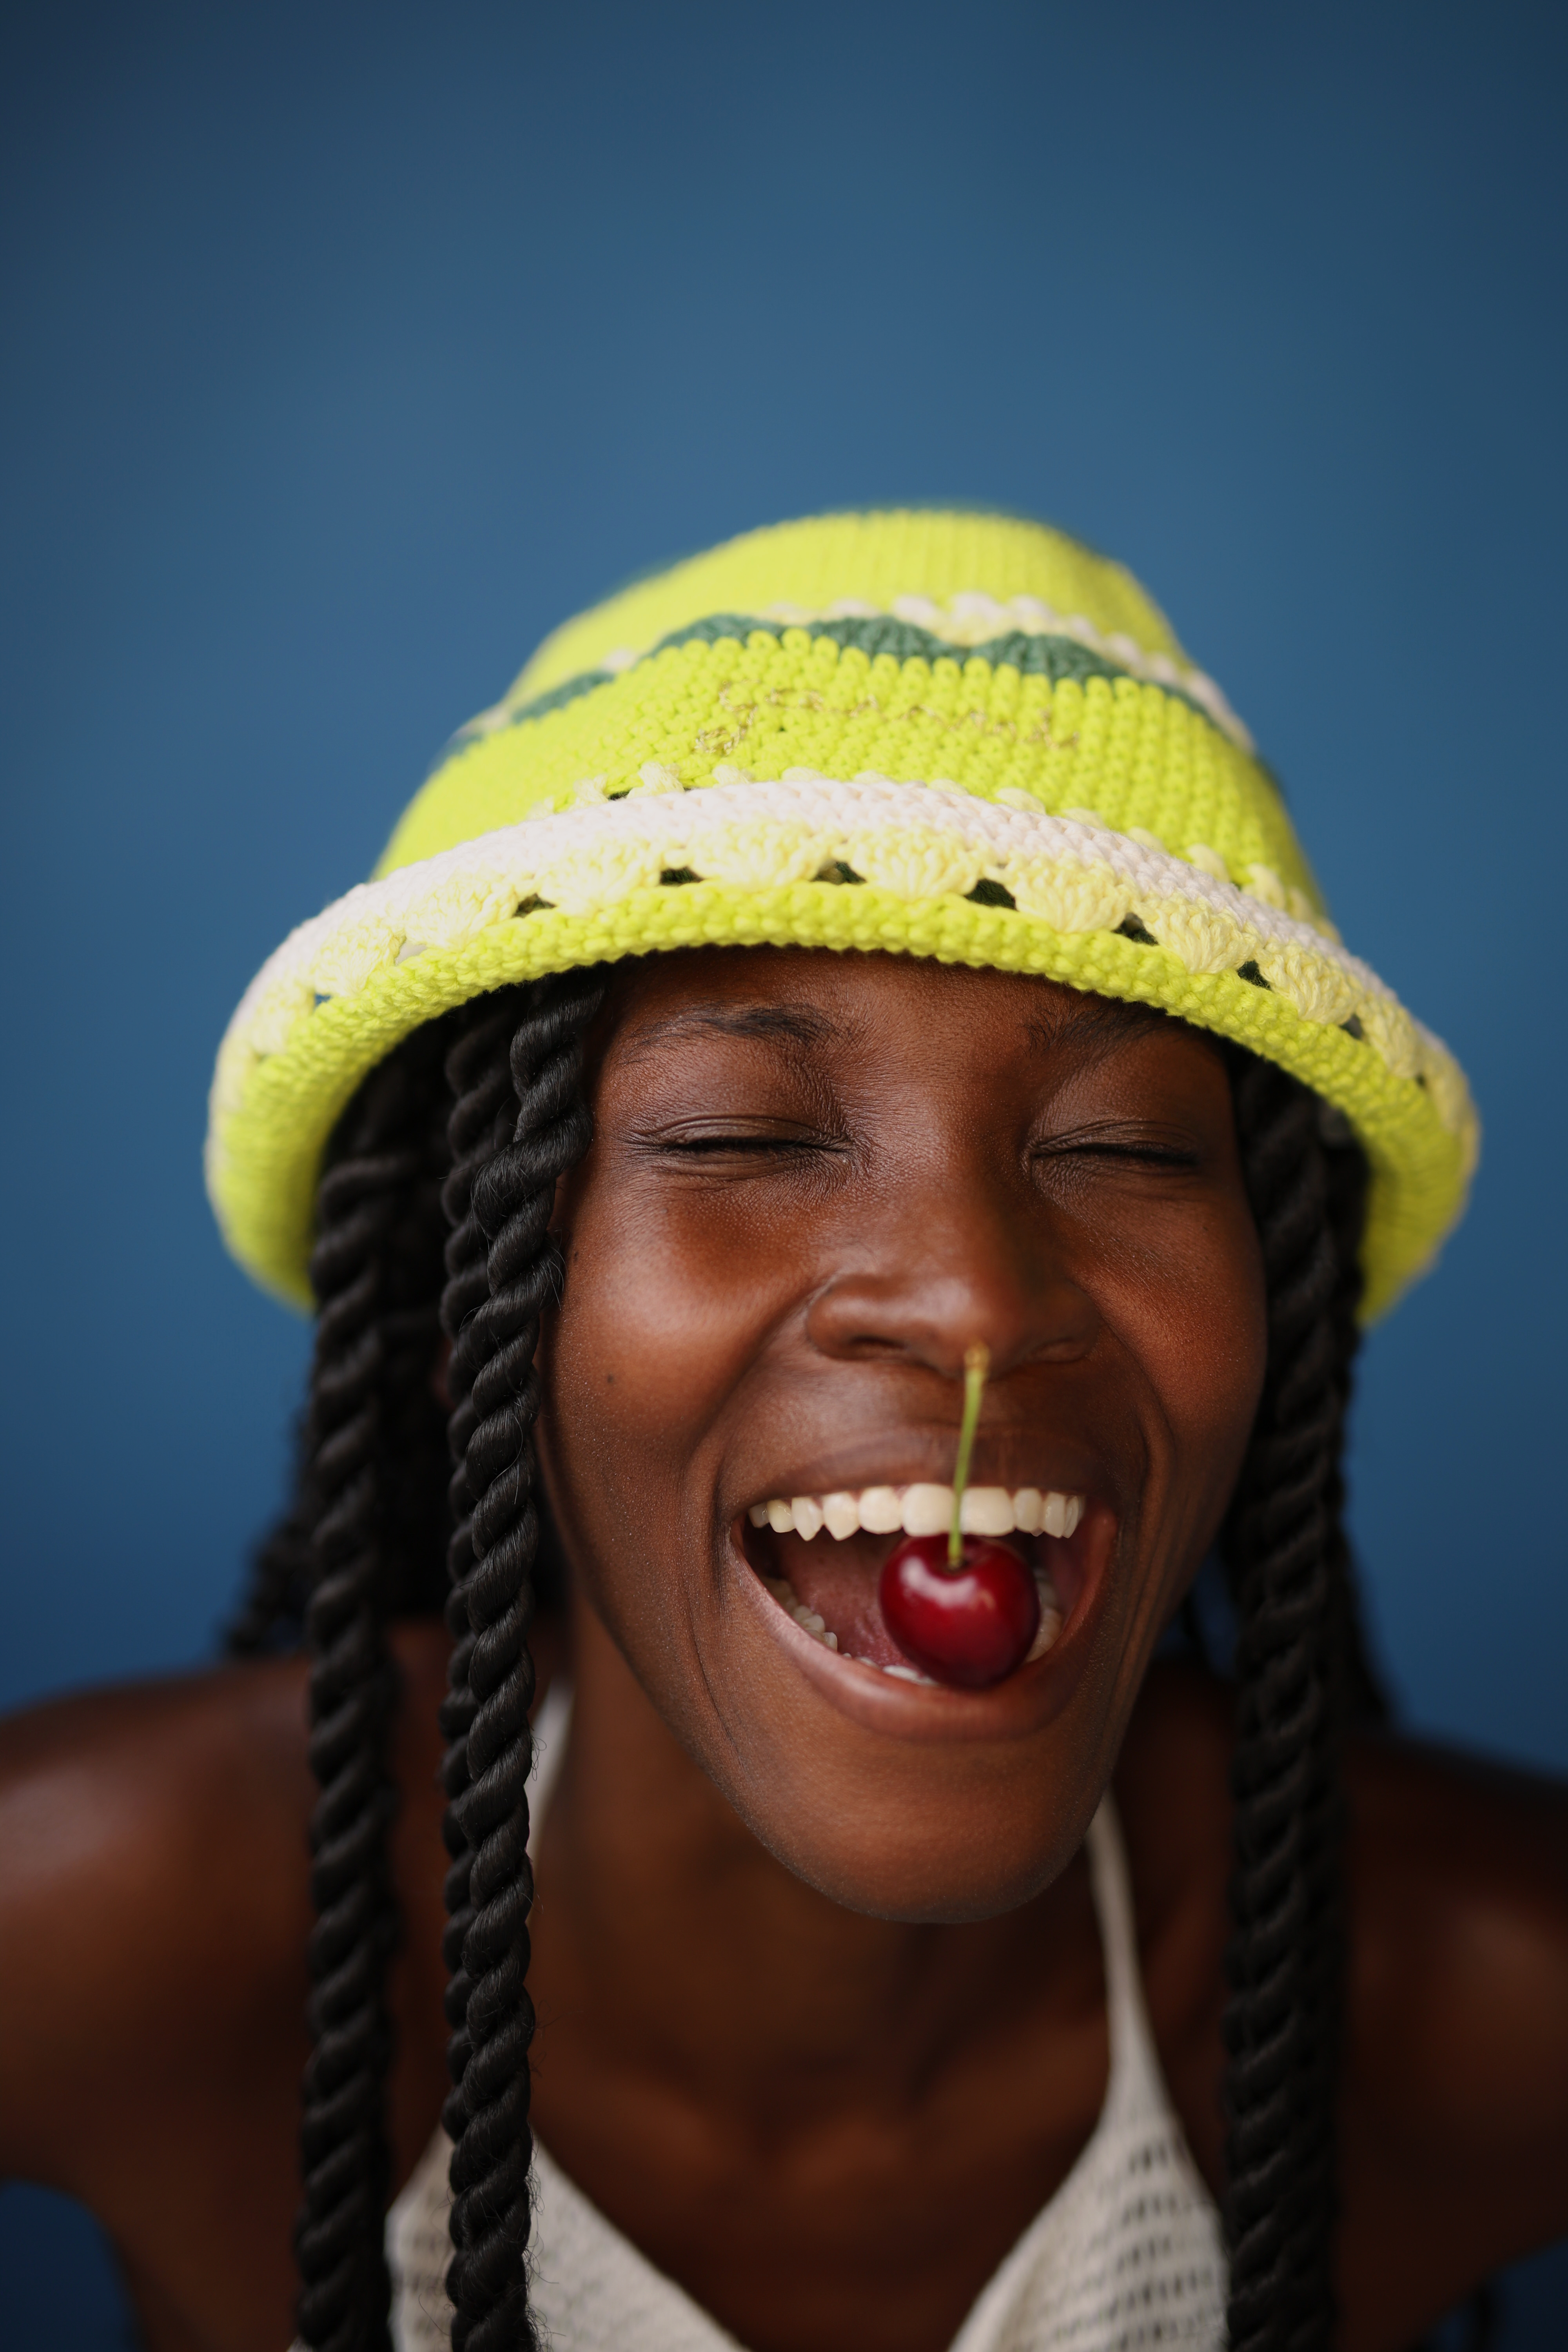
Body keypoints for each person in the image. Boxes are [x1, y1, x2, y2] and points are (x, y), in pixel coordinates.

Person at [2, 510, 1564, 2352]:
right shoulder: (116, 1931)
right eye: (744, 1135)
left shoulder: (1481, 1998)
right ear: (463, 1307)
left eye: (1127, 1148)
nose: (977, 1299)